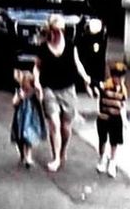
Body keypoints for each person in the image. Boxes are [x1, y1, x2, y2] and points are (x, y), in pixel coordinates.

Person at [33, 14, 92, 172]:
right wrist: (37, 83)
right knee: (54, 122)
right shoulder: (44, 48)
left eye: (61, 30)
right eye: (56, 30)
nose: (59, 33)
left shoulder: (71, 46)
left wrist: (86, 78)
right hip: (49, 88)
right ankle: (56, 157)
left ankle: (62, 151)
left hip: (67, 89)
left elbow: (77, 63)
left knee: (66, 127)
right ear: (51, 30)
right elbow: (37, 67)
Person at [94, 62, 128, 178]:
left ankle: (112, 162)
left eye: (121, 77)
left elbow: (123, 105)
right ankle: (102, 158)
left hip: (116, 118)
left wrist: (125, 119)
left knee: (114, 141)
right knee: (102, 139)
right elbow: (97, 93)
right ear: (112, 76)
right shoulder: (105, 86)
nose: (119, 79)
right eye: (117, 76)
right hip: (104, 117)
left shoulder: (123, 90)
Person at [11, 70, 47, 169]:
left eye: (29, 85)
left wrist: (38, 90)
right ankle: (22, 155)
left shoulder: (34, 94)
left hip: (31, 119)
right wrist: (19, 98)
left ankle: (28, 156)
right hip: (20, 118)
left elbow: (41, 99)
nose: (27, 88)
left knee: (29, 136)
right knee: (19, 138)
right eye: (25, 85)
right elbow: (14, 103)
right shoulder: (19, 91)